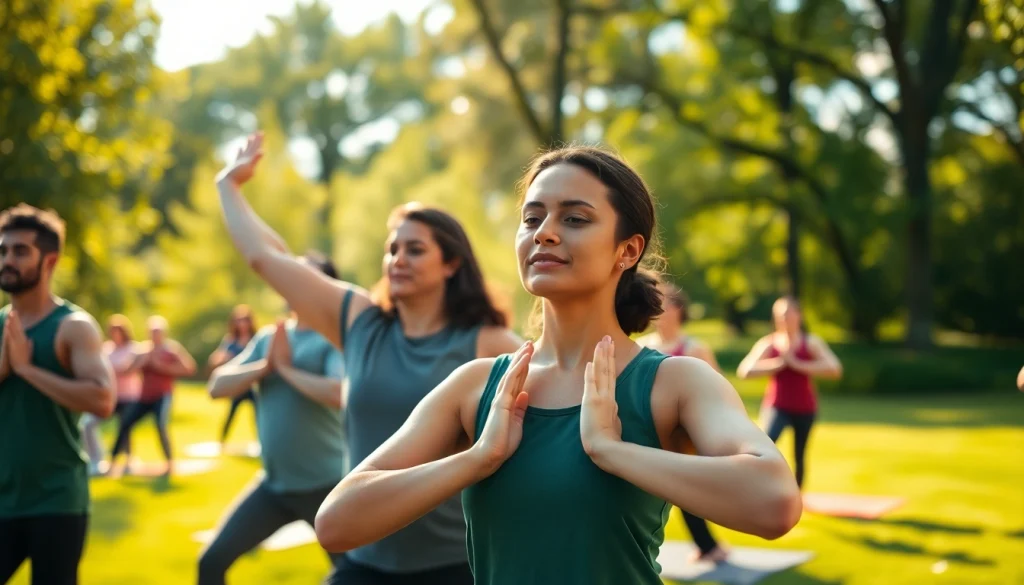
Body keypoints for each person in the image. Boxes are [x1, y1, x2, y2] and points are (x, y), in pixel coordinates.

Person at [312, 146, 803, 585]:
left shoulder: (674, 383)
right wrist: (477, 458)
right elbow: (337, 522)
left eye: (574, 219)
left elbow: (775, 503)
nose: (544, 233)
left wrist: (612, 451)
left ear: (627, 250)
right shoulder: (477, 385)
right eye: (532, 218)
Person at [216, 132, 523, 584]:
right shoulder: (360, 323)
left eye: (415, 249)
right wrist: (228, 185)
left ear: (451, 264)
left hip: (455, 565)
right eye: (392, 248)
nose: (398, 258)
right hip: (365, 562)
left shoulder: (488, 342)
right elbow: (268, 258)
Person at [200, 254, 347, 585]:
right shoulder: (269, 339)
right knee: (211, 562)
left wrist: (286, 370)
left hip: (327, 489)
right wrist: (265, 366)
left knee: (357, 575)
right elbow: (216, 386)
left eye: (304, 276)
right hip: (274, 488)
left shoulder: (332, 338)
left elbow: (339, 393)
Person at [0, 204, 116, 585]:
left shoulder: (73, 328)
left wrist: (28, 370)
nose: (7, 260)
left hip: (57, 500)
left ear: (49, 261)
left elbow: (102, 399)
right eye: (3, 251)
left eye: (20, 251)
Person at [637, 282, 728, 563]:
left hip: (686, 434)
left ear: (677, 309)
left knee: (683, 490)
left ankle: (710, 547)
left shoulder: (694, 348)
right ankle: (709, 546)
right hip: (652, 430)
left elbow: (720, 392)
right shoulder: (642, 347)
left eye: (662, 302)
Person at [737, 296, 843, 489]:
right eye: (779, 315)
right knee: (766, 444)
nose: (783, 319)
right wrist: (779, 364)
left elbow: (834, 369)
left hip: (804, 407)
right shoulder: (769, 343)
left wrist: (798, 364)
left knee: (799, 454)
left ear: (798, 315)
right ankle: (761, 488)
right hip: (777, 405)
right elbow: (745, 370)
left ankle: (796, 496)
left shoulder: (810, 342)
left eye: (787, 314)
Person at [108, 315, 197, 477]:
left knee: (161, 425)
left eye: (158, 332)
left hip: (163, 395)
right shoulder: (143, 351)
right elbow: (128, 370)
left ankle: (169, 464)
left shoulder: (171, 349)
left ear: (163, 333)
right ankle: (112, 462)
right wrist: (140, 362)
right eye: (152, 332)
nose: (155, 335)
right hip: (144, 397)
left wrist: (161, 367)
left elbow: (189, 368)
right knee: (125, 423)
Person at [80, 314, 143, 475]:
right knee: (88, 424)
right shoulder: (106, 348)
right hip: (111, 396)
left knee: (125, 427)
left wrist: (115, 370)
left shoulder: (133, 348)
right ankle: (96, 458)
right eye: (113, 331)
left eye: (118, 331)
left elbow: (129, 368)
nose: (115, 334)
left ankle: (128, 460)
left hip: (129, 396)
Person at [207, 305, 259, 447]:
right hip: (237, 384)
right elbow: (215, 359)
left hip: (252, 384)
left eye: (245, 320)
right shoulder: (231, 341)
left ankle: (260, 441)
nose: (242, 324)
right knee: (231, 413)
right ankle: (222, 442)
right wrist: (223, 358)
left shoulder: (256, 340)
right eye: (239, 320)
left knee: (257, 415)